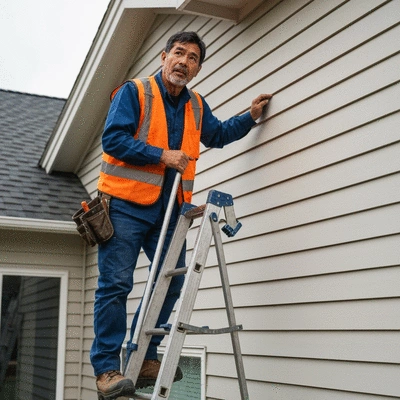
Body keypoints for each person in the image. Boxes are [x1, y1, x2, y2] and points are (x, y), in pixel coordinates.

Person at [91, 31, 272, 399]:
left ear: (197, 68)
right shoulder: (135, 92)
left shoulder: (195, 105)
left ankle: (142, 355)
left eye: (192, 58)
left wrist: (250, 117)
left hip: (170, 211)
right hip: (125, 205)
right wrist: (162, 155)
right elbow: (113, 139)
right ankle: (107, 369)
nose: (183, 62)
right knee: (116, 285)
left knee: (171, 283)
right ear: (163, 56)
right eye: (178, 53)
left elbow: (218, 135)